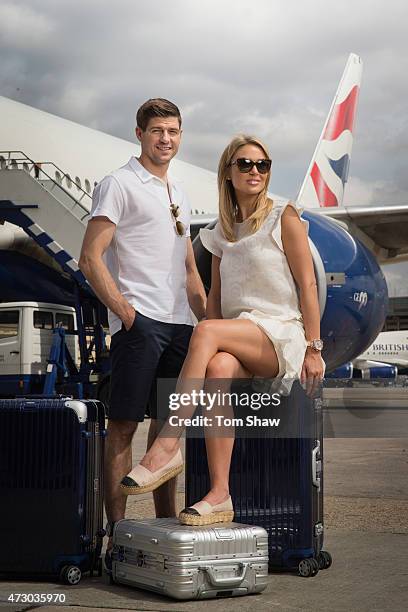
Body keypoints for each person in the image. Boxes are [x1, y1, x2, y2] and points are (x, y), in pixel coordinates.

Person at [119, 134, 325, 526]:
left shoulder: (285, 216)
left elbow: (308, 285)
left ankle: (167, 444)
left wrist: (315, 349)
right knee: (215, 370)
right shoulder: (220, 234)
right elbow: (213, 307)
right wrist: (203, 344)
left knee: (209, 333)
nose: (254, 171)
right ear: (228, 173)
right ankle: (220, 493)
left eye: (262, 165)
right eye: (245, 164)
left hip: (279, 333)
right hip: (239, 333)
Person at [78, 98, 206, 566]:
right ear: (139, 133)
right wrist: (126, 313)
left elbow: (189, 268)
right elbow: (90, 257)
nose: (165, 139)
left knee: (167, 434)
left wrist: (206, 318)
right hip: (141, 325)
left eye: (173, 131)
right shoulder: (119, 184)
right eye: (156, 131)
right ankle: (116, 535)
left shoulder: (179, 191)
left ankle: (164, 529)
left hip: (181, 327)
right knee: (123, 428)